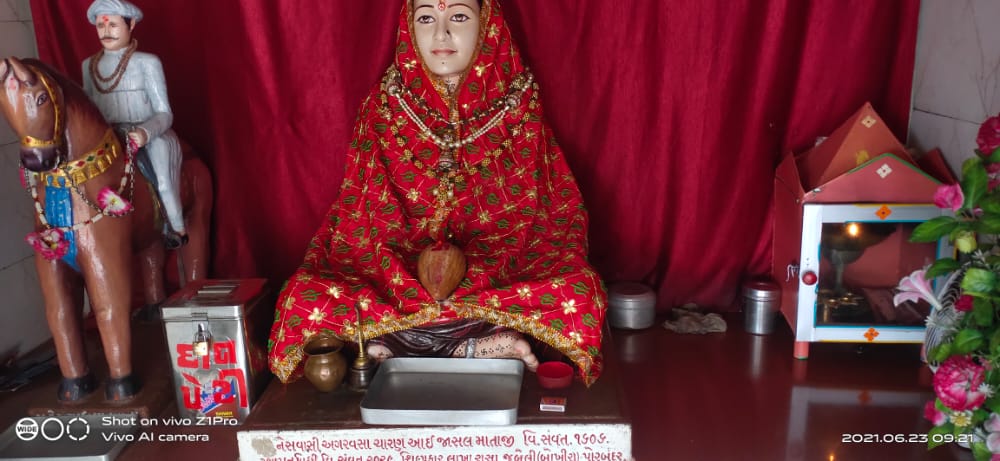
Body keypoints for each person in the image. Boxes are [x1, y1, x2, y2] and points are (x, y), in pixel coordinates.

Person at [268, 0, 608, 386]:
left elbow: (544, 206)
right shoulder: (384, 104)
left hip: (497, 268)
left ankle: (400, 346)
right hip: (396, 266)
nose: (440, 34)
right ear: (408, 28)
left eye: (458, 17)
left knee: (579, 293)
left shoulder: (517, 103)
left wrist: (481, 268)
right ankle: (472, 347)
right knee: (304, 295)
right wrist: (403, 272)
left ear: (487, 24)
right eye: (426, 17)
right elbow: (362, 208)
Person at [81, 0, 187, 248]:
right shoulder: (89, 66)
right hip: (108, 139)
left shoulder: (147, 63)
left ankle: (176, 228)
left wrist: (145, 132)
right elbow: (89, 111)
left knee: (163, 179)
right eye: (101, 26)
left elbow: (164, 112)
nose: (106, 31)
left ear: (131, 25)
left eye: (113, 25)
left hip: (147, 135)